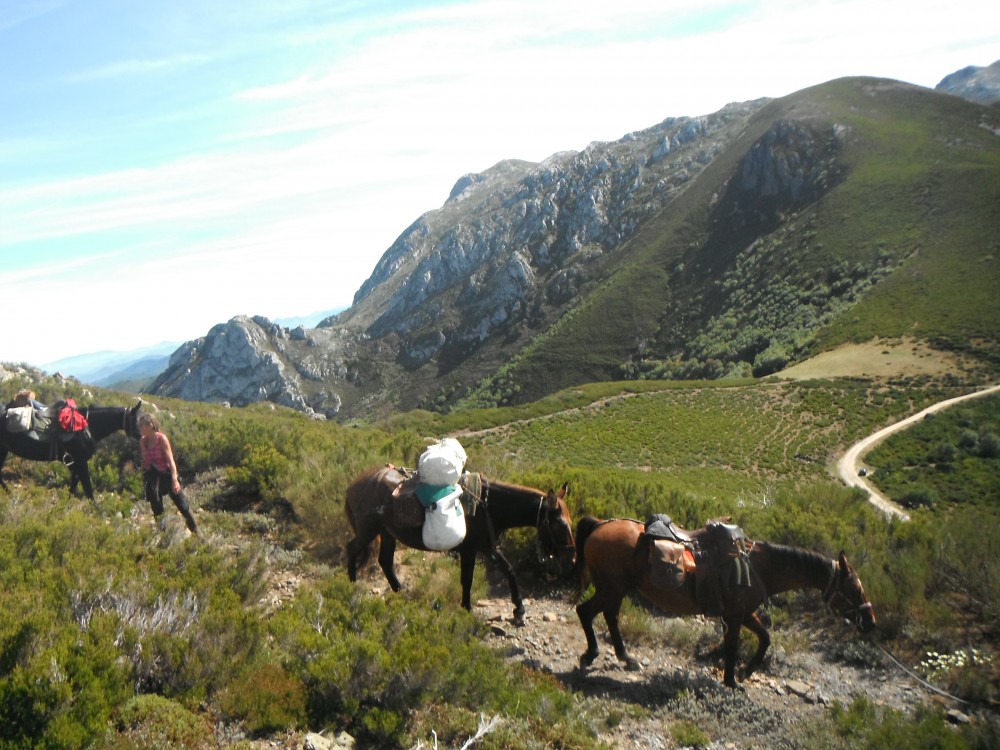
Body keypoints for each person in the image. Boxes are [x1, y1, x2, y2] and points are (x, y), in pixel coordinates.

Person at [137, 412, 199, 536]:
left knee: (183, 506)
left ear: (150, 425)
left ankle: (198, 534)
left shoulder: (161, 439)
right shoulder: (143, 441)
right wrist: (143, 475)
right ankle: (164, 535)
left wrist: (174, 480)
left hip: (165, 474)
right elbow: (144, 460)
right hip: (153, 476)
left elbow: (170, 460)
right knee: (157, 509)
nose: (140, 428)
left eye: (142, 426)